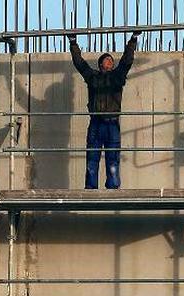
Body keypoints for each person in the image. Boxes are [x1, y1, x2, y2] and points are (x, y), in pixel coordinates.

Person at [67, 31, 141, 189]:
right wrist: (73, 42)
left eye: (111, 60)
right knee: (92, 159)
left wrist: (133, 40)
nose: (110, 62)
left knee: (112, 159)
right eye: (107, 59)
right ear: (101, 64)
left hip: (112, 123)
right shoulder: (92, 76)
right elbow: (79, 63)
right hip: (96, 123)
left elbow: (127, 61)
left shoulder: (117, 76)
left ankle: (113, 187)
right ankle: (91, 188)